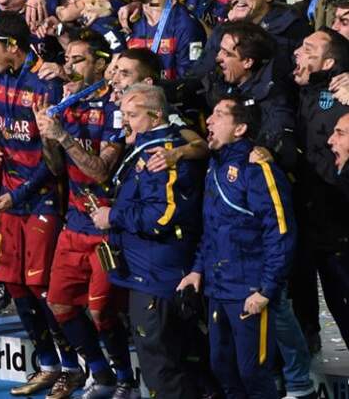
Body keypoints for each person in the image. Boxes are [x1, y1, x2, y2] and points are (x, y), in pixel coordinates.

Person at [0, 12, 83, 396]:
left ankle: (72, 366)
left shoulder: (47, 84)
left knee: (41, 288)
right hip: (10, 198)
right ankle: (46, 362)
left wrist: (17, 195)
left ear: (11, 46)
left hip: (41, 199)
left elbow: (52, 162)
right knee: (16, 285)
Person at [34, 31, 135, 399]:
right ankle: (100, 372)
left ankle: (125, 378)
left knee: (100, 311)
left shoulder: (116, 107)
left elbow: (101, 171)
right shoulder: (67, 106)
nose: (70, 67)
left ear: (99, 64)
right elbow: (56, 168)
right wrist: (48, 137)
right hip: (74, 222)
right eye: (68, 60)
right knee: (58, 303)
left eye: (79, 60)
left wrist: (61, 135)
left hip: (107, 226)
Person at [178, 95, 296, 399]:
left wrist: (267, 289)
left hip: (249, 290)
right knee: (222, 368)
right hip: (218, 289)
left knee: (254, 374)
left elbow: (280, 231)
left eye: (219, 115)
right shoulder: (214, 166)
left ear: (241, 127)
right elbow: (213, 229)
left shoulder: (256, 168)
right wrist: (196, 270)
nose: (210, 121)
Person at [91, 84, 203, 398]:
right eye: (123, 114)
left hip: (156, 272)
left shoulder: (161, 154)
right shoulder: (147, 145)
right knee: (167, 360)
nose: (125, 121)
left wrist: (113, 217)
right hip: (146, 269)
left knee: (161, 364)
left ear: (154, 116)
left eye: (133, 115)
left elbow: (162, 216)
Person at [291, 29, 349, 352]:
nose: (298, 52)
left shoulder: (341, 95)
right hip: (314, 224)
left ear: (328, 62)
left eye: (308, 49)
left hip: (339, 223)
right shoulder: (303, 91)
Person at [206, 21, 297, 170]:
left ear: (247, 62)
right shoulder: (221, 80)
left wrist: (269, 151)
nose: (218, 58)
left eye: (227, 53)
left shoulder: (272, 98)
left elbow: (282, 140)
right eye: (220, 50)